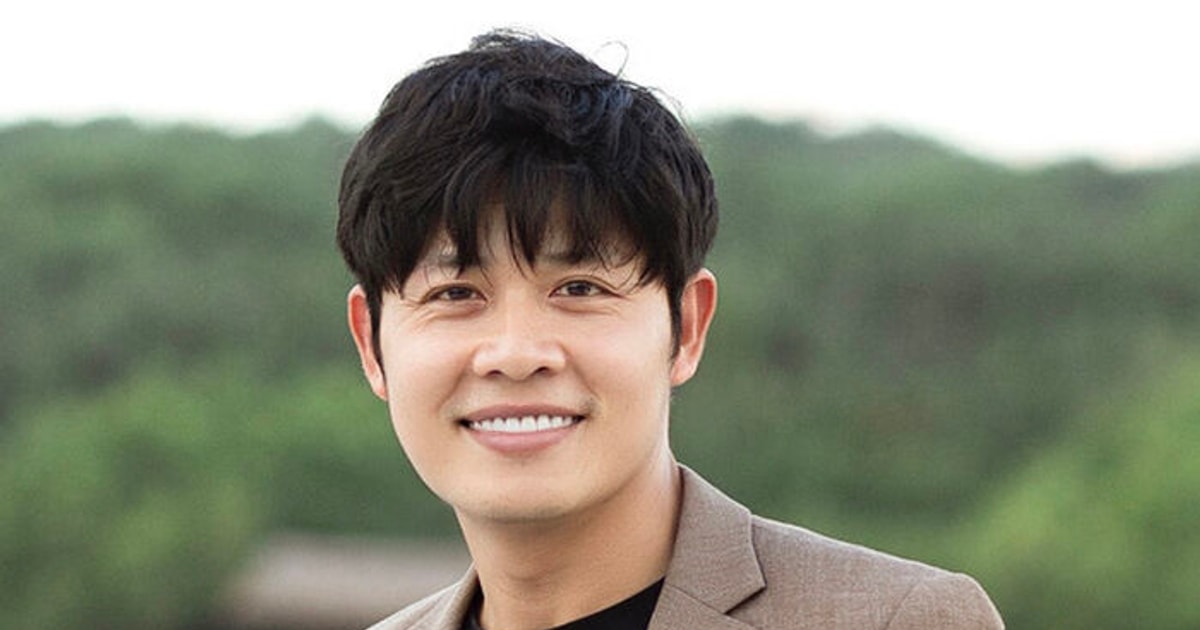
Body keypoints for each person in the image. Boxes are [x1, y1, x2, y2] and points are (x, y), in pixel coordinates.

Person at [337, 29, 1004, 630]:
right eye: (455, 293)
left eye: (580, 289)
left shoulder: (896, 619)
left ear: (686, 326)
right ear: (371, 343)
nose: (516, 354)